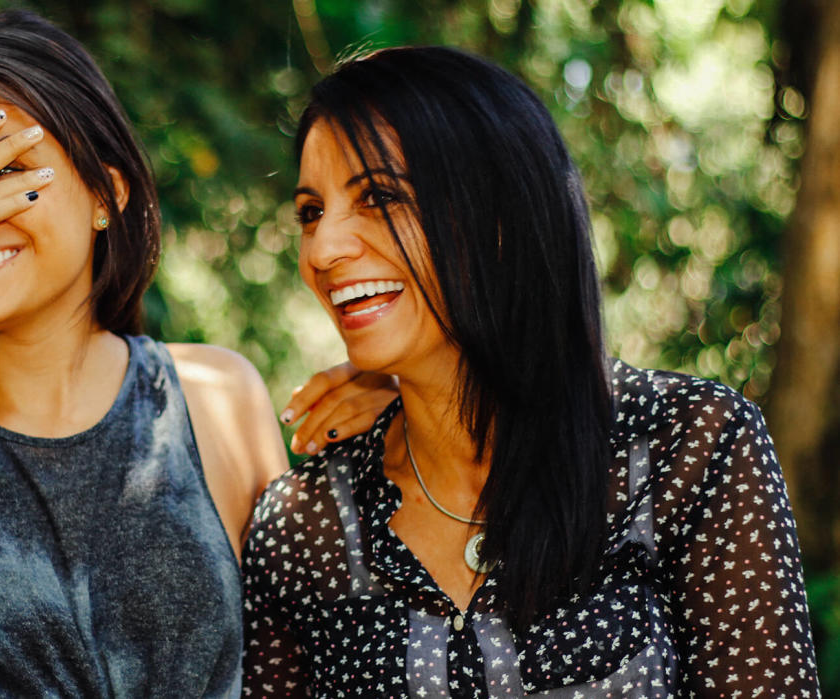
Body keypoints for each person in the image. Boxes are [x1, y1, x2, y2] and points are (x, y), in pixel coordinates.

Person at [0, 9, 391, 696]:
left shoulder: (215, 393)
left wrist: (405, 409)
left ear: (105, 194)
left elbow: (308, 663)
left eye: (0, 170)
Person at [241, 46, 820, 697]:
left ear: (499, 214)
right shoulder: (304, 526)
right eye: (311, 211)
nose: (323, 248)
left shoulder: (688, 446)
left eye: (378, 197)